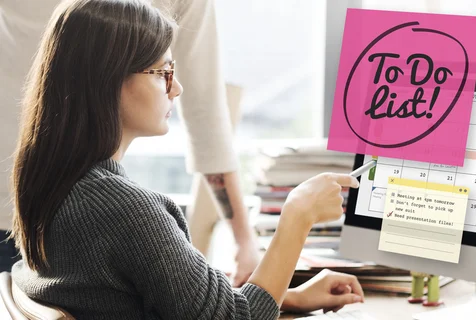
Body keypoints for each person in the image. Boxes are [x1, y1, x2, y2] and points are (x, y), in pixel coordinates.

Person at [8, 0, 365, 318]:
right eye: (162, 73)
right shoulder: (124, 211)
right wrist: (298, 214)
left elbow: (173, 299)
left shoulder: (53, 187)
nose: (176, 88)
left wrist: (288, 297)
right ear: (109, 80)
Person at [0, 0, 261, 285]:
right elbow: (206, 115)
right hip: (32, 212)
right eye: (162, 73)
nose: (175, 88)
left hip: (33, 200)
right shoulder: (133, 215)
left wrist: (243, 241)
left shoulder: (121, 207)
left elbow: (206, 117)